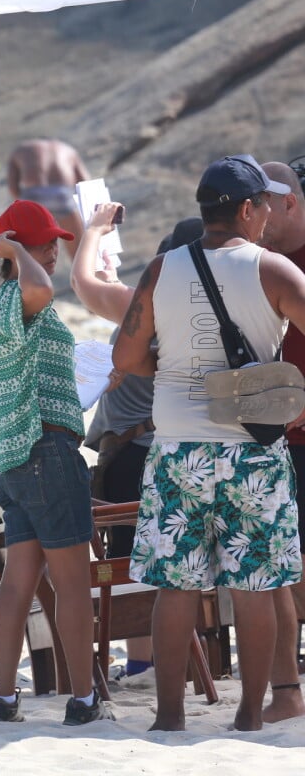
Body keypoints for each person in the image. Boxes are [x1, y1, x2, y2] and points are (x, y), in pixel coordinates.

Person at [113, 155, 303, 732]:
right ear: (247, 209)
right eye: (264, 206)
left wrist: (173, 363)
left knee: (176, 584)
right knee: (254, 584)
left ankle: (169, 715)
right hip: (252, 450)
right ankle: (248, 714)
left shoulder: (160, 269)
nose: (268, 216)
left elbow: (125, 358)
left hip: (177, 449)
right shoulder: (274, 271)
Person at [0, 199, 109, 726]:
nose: (52, 249)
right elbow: (37, 288)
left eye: (53, 241)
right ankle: (81, 699)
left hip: (12, 457)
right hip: (44, 454)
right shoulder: (17, 296)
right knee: (72, 583)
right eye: (42, 242)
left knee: (20, 579)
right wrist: (13, 249)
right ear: (15, 248)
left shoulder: (5, 303)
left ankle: (5, 697)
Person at [71, 211, 203, 680]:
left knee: (133, 561)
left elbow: (84, 285)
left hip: (137, 451)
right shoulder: (200, 308)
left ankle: (145, 661)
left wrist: (93, 233)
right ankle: (169, 659)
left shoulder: (152, 305)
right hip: (154, 446)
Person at [253, 160, 305, 724]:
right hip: (275, 443)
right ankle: (287, 689)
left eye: (263, 205)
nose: (257, 218)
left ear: (286, 203)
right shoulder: (260, 264)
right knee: (283, 568)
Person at [7, 139, 91, 258]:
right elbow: (85, 181)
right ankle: (80, 273)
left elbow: (12, 186)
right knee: (79, 254)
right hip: (61, 195)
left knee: (32, 257)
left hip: (32, 196)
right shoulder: (67, 149)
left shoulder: (21, 149)